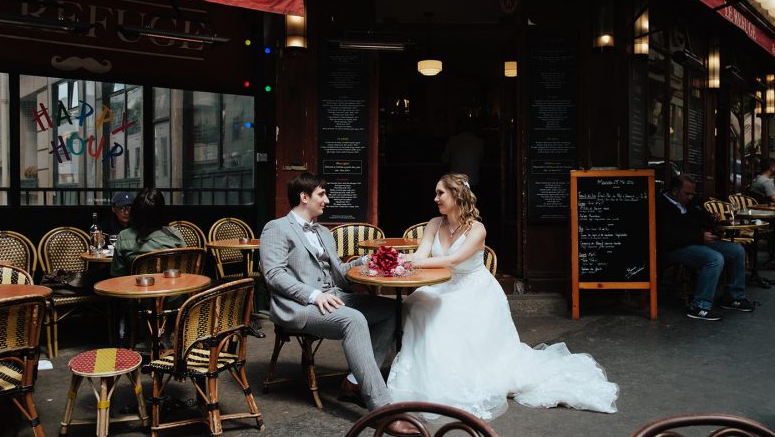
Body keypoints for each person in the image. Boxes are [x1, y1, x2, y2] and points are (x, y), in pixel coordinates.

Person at [387, 173, 618, 420]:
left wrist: (419, 263)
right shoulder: (434, 223)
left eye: (440, 193)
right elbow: (421, 254)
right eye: (436, 193)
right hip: (442, 285)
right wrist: (395, 260)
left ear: (456, 195)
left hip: (473, 290)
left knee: (444, 313)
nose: (435, 199)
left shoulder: (477, 229)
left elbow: (454, 260)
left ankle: (456, 376)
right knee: (416, 304)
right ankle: (426, 373)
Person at [260, 173, 416, 434]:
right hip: (301, 305)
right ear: (304, 197)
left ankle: (355, 382)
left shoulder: (323, 231)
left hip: (333, 295)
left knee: (392, 310)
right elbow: (274, 275)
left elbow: (338, 274)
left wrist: (365, 261)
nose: (327, 200)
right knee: (353, 319)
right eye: (322, 194)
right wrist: (313, 295)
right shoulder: (276, 228)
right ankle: (381, 408)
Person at [657, 174, 755, 321]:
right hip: (675, 248)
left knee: (737, 251)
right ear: (675, 191)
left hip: (697, 242)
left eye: (692, 194)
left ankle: (734, 297)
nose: (690, 197)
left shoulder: (690, 203)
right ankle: (700, 306)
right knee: (715, 259)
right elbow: (668, 236)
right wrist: (699, 238)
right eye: (687, 194)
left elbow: (699, 216)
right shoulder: (661, 206)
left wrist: (711, 217)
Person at [110, 188, 184, 277]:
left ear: (135, 211)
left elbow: (117, 276)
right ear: (161, 212)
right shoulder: (174, 234)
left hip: (135, 288)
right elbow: (186, 268)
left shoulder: (123, 236)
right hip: (173, 288)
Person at [441, 117, 485, 188]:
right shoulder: (479, 142)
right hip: (472, 181)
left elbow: (444, 161)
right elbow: (481, 160)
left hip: (455, 181)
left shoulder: (453, 140)